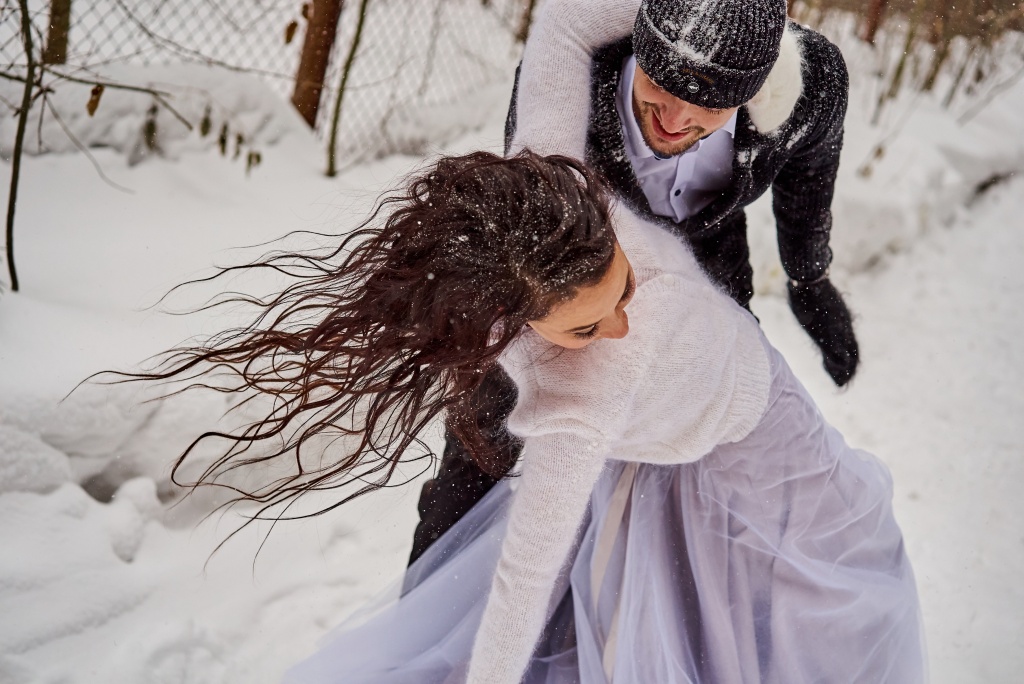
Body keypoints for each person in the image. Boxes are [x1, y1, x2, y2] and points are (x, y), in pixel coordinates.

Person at [130, 150, 924, 682]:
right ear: (518, 320)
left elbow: (567, 28)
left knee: (820, 610)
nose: (622, 324)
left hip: (768, 436)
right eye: (587, 327)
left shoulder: (549, 207)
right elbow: (520, 583)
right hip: (670, 459)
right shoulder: (579, 404)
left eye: (621, 282)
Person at [412, 0, 863, 565]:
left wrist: (809, 277)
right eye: (659, 85)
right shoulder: (570, 72)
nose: (674, 119)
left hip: (707, 264)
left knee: (713, 454)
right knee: (486, 434)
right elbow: (532, 222)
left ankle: (673, 593)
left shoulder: (812, 84)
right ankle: (433, 582)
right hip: (571, 265)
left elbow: (811, 172)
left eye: (710, 105)